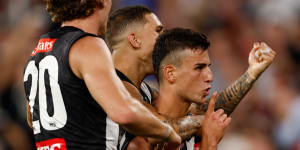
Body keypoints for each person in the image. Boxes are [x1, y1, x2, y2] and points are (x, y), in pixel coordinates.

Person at [105, 6, 276, 150]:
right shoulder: (106, 87)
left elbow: (203, 111)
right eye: (158, 31)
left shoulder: (142, 91)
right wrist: (206, 135)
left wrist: (251, 73)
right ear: (135, 40)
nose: (163, 38)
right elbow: (157, 128)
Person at [23, 1, 181, 150]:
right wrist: (168, 133)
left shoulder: (38, 51)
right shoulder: (89, 44)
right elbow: (124, 112)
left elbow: (32, 119)